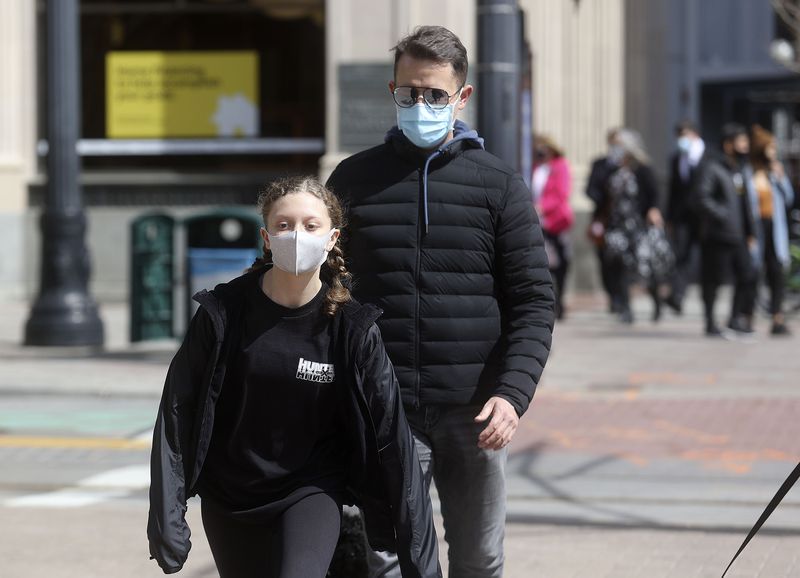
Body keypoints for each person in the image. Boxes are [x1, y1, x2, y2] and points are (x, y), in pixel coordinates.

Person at [326, 25, 554, 578]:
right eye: (409, 93)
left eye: (434, 95)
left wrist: (513, 394)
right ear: (393, 91)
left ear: (462, 97)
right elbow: (326, 291)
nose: (420, 104)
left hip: (475, 413)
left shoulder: (498, 185)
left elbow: (533, 300)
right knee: (388, 559)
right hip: (385, 407)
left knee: (478, 559)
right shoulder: (353, 181)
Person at [147, 176, 442, 578]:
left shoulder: (352, 328)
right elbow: (177, 410)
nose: (296, 235)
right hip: (230, 495)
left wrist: (420, 562)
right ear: (266, 237)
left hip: (310, 488)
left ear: (333, 237)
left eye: (310, 225)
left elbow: (392, 436)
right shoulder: (222, 313)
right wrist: (167, 514)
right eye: (284, 225)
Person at [597, 129, 670, 324]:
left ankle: (657, 302)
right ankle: (625, 309)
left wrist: (654, 210)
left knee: (645, 267)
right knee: (618, 265)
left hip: (639, 225)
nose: (615, 150)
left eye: (620, 146)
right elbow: (601, 194)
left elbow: (654, 193)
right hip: (617, 226)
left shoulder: (643, 169)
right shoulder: (611, 170)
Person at [694, 123, 759, 337]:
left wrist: (750, 231)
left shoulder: (738, 169)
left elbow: (744, 203)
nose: (745, 147)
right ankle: (710, 322)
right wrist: (722, 216)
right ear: (728, 144)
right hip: (718, 234)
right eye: (741, 142)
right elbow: (703, 198)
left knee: (747, 275)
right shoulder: (712, 167)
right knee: (713, 279)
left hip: (738, 234)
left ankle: (734, 319)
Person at [750, 124, 795, 335]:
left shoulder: (773, 173)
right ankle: (746, 316)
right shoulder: (749, 172)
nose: (773, 152)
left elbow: (788, 199)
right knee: (752, 274)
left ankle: (777, 318)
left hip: (774, 230)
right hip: (755, 230)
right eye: (771, 148)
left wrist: (781, 177)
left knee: (776, 274)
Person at [665, 120, 706, 314]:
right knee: (681, 255)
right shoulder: (676, 159)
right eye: (680, 135)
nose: (682, 139)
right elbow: (673, 191)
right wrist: (670, 218)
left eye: (685, 134)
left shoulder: (707, 157)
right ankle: (678, 295)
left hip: (704, 216)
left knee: (708, 258)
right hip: (682, 217)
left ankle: (709, 301)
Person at [533, 133, 574, 320]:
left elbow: (561, 193)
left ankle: (560, 300)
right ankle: (552, 300)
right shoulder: (535, 167)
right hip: (538, 222)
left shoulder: (560, 166)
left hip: (557, 221)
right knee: (547, 263)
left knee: (562, 264)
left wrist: (543, 207)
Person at [586, 128, 623, 313]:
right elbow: (590, 189)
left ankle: (622, 298)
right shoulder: (600, 164)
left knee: (622, 261)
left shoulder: (628, 166)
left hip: (624, 223)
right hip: (603, 219)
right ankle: (612, 295)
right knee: (604, 259)